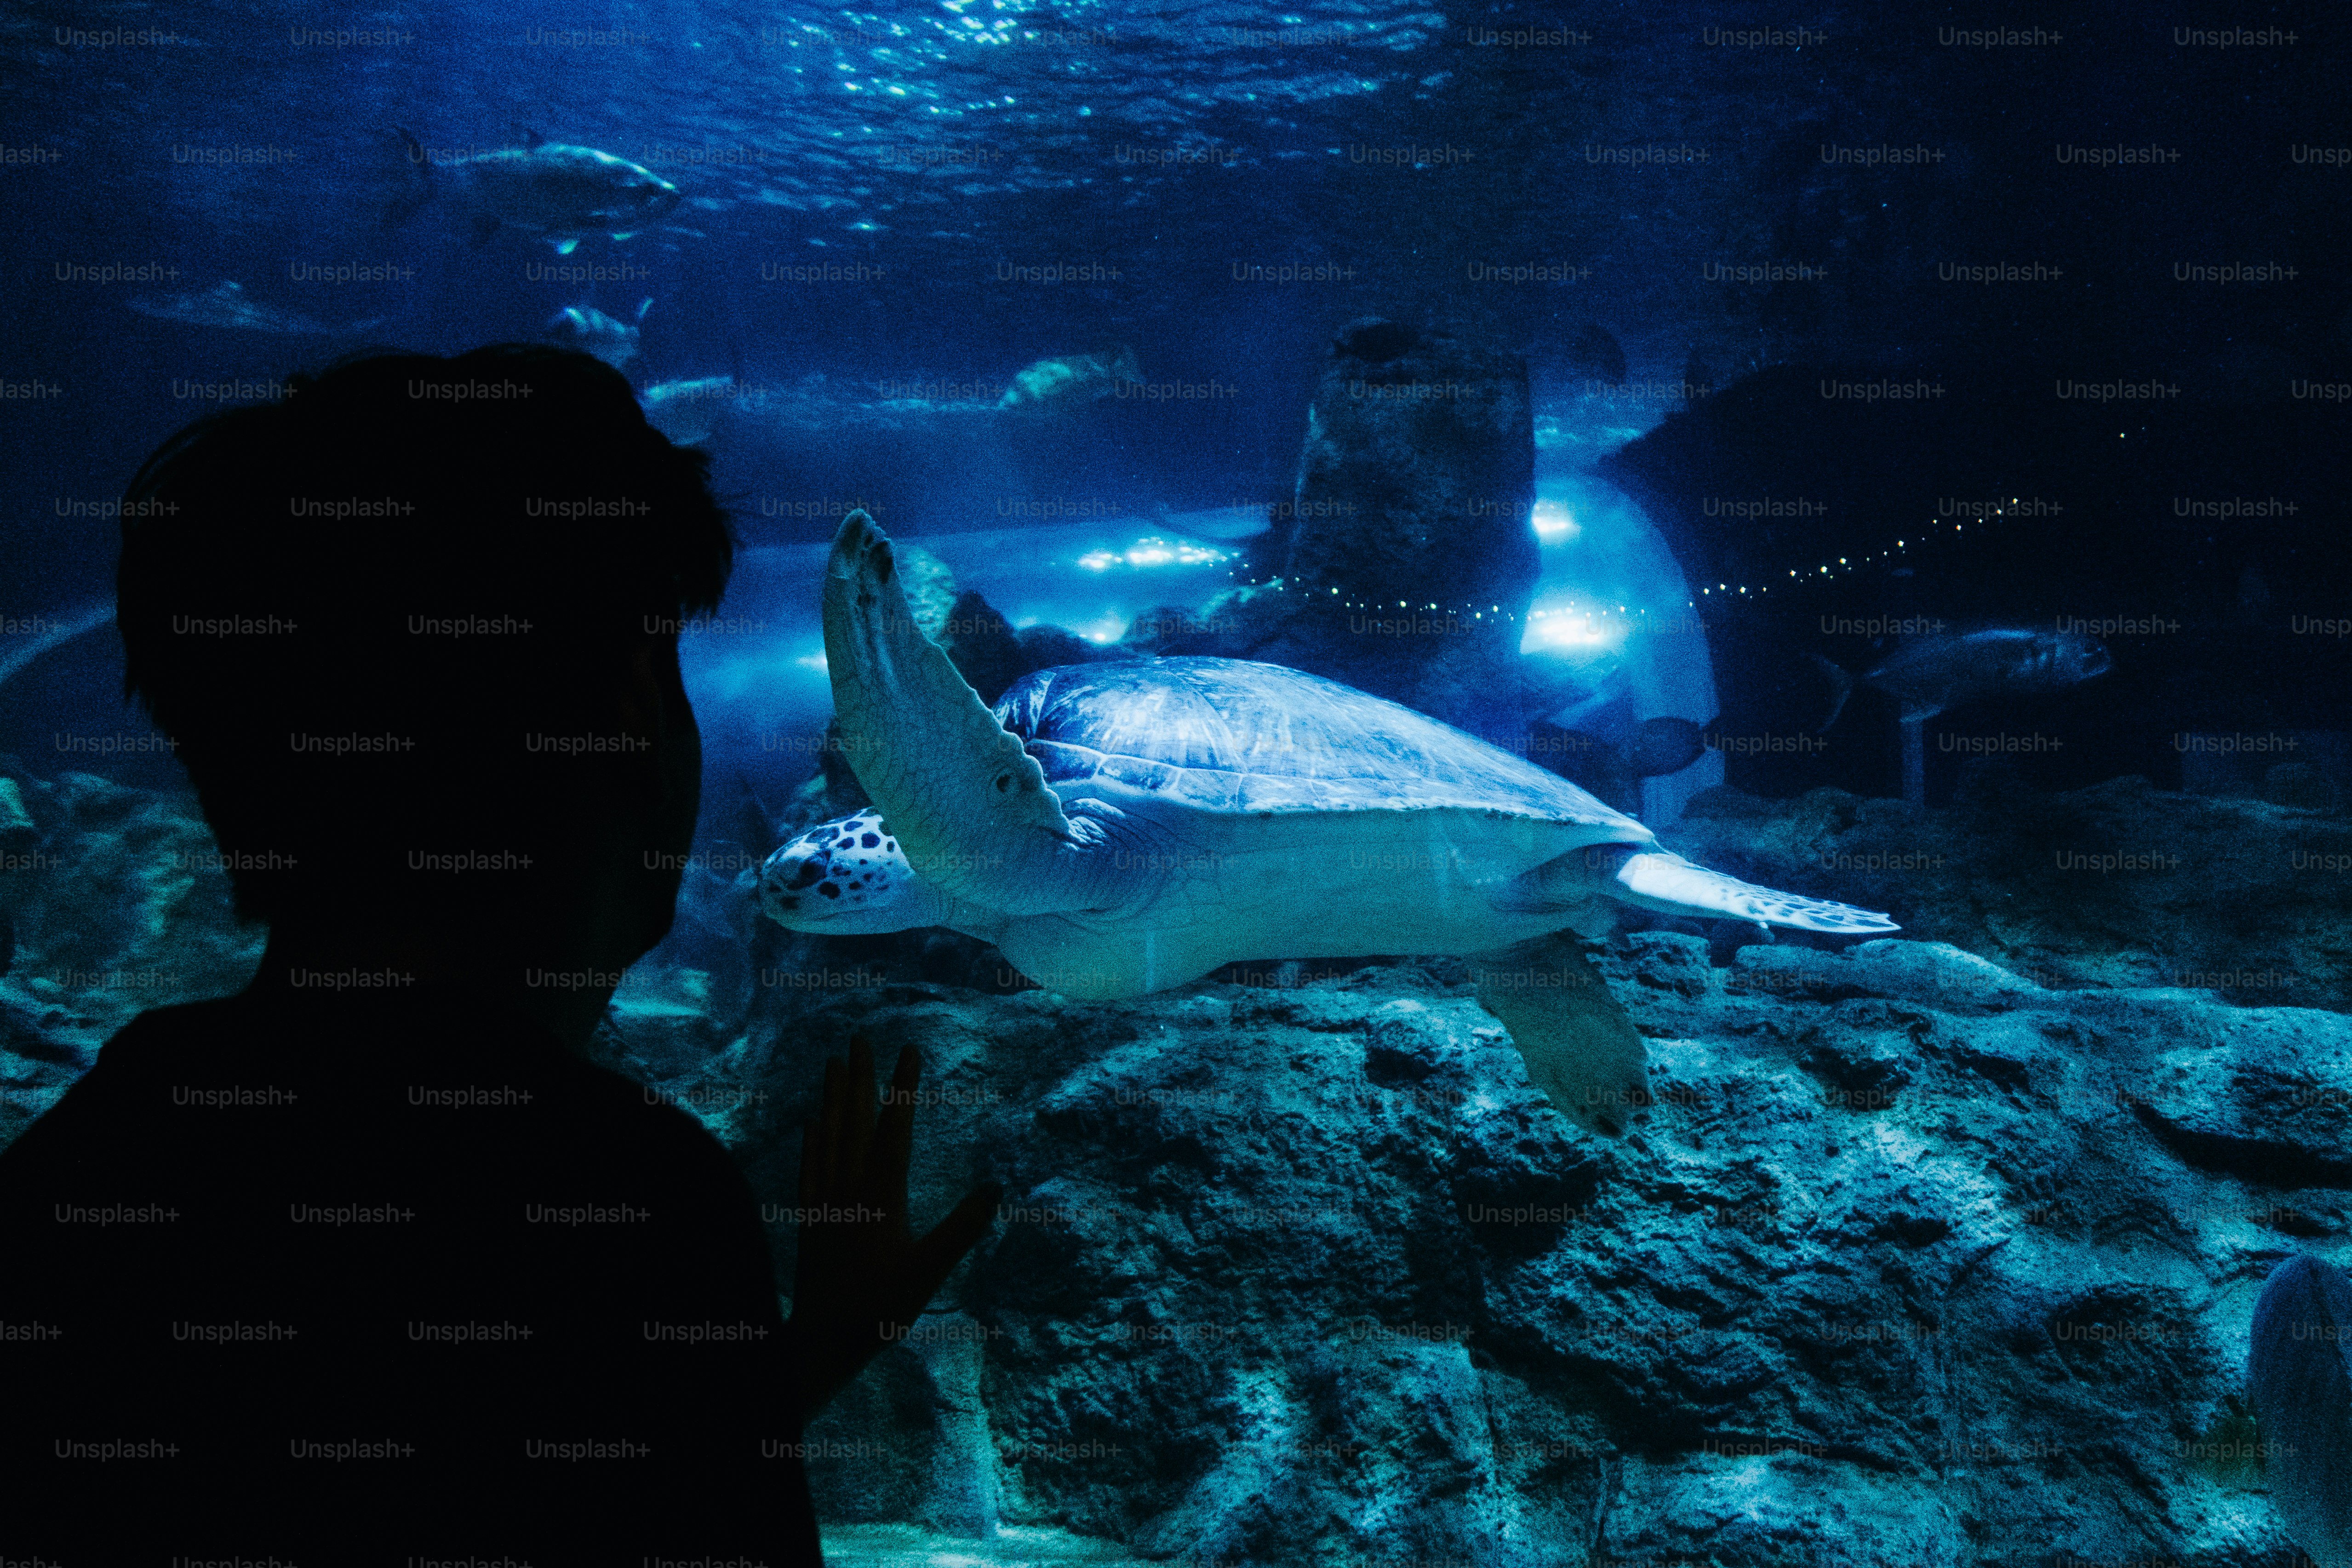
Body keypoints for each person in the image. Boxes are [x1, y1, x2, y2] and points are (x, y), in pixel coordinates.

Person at [0, 345, 999, 1563]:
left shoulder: (88, 1163)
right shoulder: (625, 1201)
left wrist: (809, 1350)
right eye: (667, 660)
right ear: (634, 705)